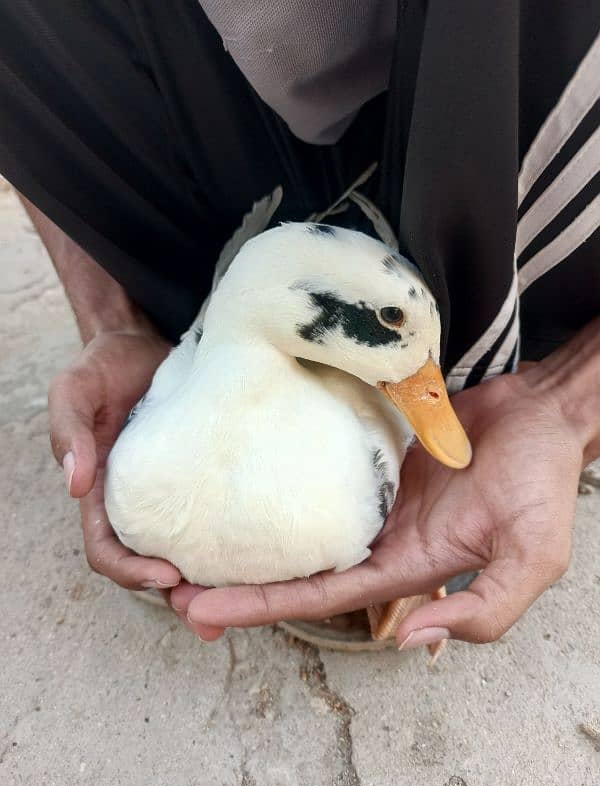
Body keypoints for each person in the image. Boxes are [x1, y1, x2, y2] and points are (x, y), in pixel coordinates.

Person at [2, 2, 598, 651]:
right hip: (205, 122)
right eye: (395, 327)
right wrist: (112, 318)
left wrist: (570, 401)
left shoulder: (149, 480)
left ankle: (509, 341)